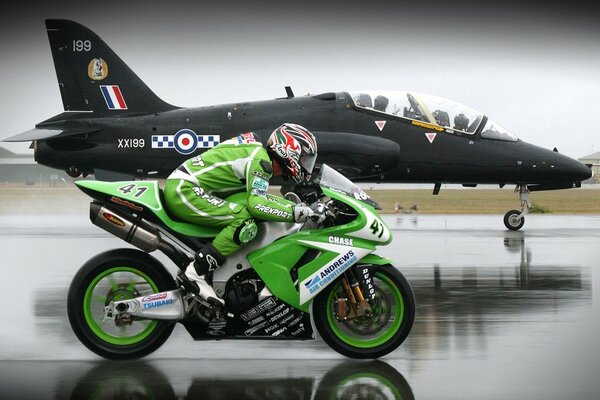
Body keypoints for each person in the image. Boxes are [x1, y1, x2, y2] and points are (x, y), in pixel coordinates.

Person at [163, 123, 320, 306]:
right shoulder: (261, 163)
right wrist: (297, 213)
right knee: (244, 221)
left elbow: (260, 198)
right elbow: (257, 205)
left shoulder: (258, 155)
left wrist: (296, 207)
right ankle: (195, 272)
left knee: (245, 211)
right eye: (304, 159)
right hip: (185, 190)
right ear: (289, 149)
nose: (305, 166)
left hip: (185, 186)